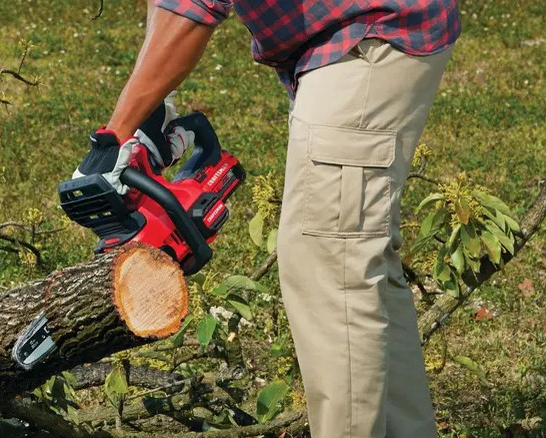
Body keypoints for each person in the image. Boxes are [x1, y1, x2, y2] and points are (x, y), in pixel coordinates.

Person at [72, 1, 460, 436]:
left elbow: (193, 7)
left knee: (330, 265)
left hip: (368, 33)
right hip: (362, 34)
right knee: (353, 260)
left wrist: (115, 136)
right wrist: (150, 105)